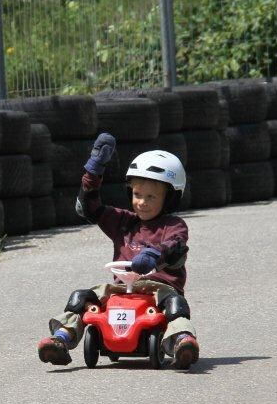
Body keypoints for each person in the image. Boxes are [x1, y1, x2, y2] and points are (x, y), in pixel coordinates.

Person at [37, 134, 201, 369]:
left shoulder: (173, 226)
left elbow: (175, 246)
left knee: (175, 304)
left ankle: (181, 340)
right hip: (121, 289)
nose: (142, 202)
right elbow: (89, 208)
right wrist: (92, 173)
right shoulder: (124, 222)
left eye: (151, 196)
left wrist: (154, 256)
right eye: (137, 194)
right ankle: (61, 338)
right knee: (82, 298)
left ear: (171, 198)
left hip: (159, 290)